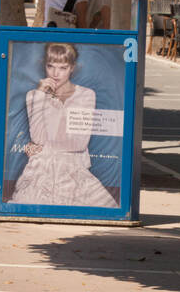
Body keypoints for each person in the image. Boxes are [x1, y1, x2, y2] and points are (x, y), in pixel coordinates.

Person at [9, 42, 117, 207]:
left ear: (72, 68)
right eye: (50, 66)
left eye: (63, 68)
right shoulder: (34, 95)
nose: (55, 74)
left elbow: (78, 142)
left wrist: (44, 146)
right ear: (44, 65)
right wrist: (40, 97)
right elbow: (38, 138)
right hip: (40, 172)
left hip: (73, 171)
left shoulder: (86, 95)